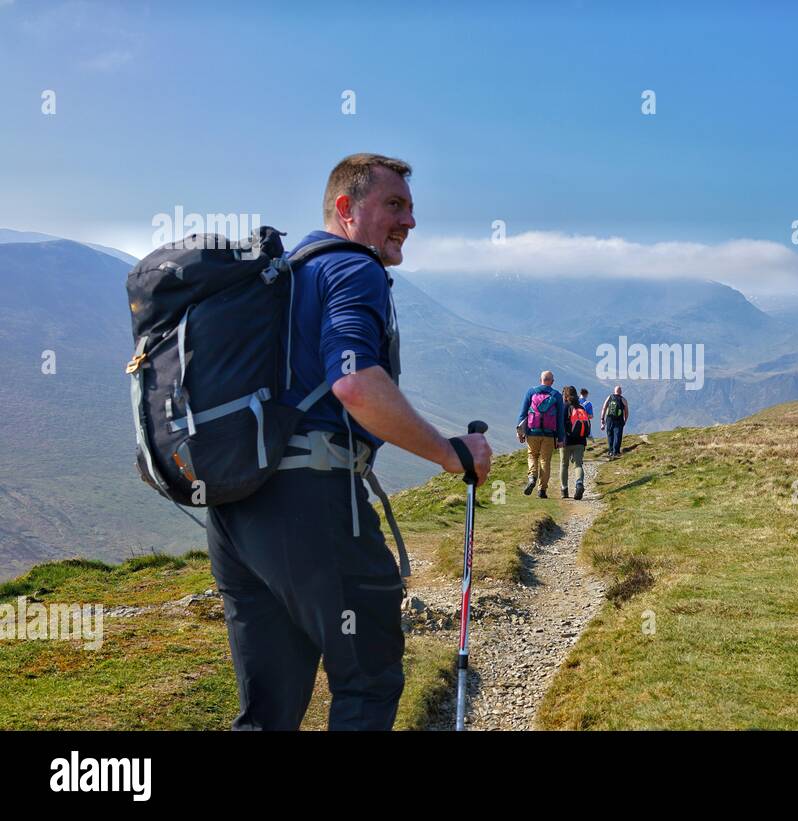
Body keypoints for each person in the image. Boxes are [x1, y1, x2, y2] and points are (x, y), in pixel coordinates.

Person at [206, 153, 492, 731]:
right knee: (368, 680)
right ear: (345, 208)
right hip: (312, 502)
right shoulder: (353, 268)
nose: (409, 221)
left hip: (237, 504)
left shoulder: (280, 276)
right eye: (394, 205)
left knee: (267, 712)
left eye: (410, 208)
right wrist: (449, 452)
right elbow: (356, 383)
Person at [517, 370, 565, 498]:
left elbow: (523, 414)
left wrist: (520, 432)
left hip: (532, 432)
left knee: (532, 455)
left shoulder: (531, 392)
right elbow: (560, 419)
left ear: (540, 380)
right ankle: (542, 490)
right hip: (549, 435)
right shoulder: (557, 396)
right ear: (552, 382)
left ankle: (532, 477)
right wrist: (561, 438)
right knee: (545, 461)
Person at [560, 385, 590, 500]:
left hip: (566, 441)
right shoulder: (581, 407)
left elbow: (561, 424)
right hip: (580, 441)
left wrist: (559, 439)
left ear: (565, 395)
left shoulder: (564, 407)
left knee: (564, 465)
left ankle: (564, 490)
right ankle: (579, 484)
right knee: (578, 464)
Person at [601, 385, 629, 458]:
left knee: (610, 435)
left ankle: (610, 451)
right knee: (617, 436)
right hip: (619, 420)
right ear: (621, 391)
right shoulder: (623, 399)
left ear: (614, 391)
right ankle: (616, 452)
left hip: (609, 419)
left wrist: (602, 419)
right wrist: (625, 420)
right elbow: (626, 411)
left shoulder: (609, 397)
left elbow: (604, 408)